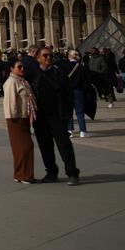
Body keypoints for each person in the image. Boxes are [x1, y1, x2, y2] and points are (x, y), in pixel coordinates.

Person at [32, 47, 80, 185]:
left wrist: (67, 112)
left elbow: (67, 93)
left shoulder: (58, 73)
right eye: (45, 56)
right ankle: (51, 172)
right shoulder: (33, 74)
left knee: (64, 144)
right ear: (38, 58)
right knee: (45, 146)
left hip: (56, 115)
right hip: (40, 116)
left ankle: (72, 172)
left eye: (50, 56)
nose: (48, 58)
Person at [2, 58, 36, 183]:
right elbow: (11, 102)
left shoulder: (21, 81)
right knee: (25, 147)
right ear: (11, 68)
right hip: (16, 118)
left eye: (22, 67)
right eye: (19, 67)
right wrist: (13, 117)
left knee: (21, 148)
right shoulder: (12, 82)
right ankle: (24, 175)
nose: (22, 69)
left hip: (23, 117)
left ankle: (20, 174)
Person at [63, 49, 89, 138]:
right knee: (80, 112)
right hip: (78, 90)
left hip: (67, 91)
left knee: (69, 111)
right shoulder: (81, 66)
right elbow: (85, 81)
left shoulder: (64, 66)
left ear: (68, 56)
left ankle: (70, 130)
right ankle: (83, 131)